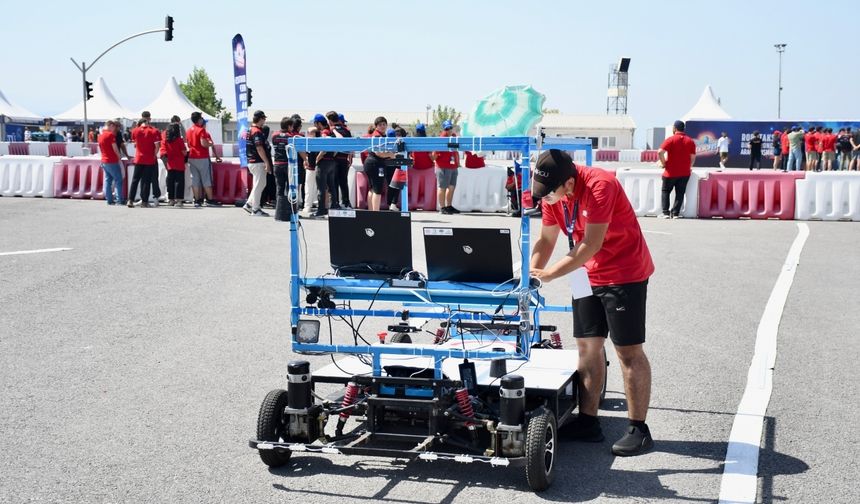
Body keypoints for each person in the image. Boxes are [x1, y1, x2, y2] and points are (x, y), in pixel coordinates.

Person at [529, 149, 655, 457]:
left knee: (627, 351)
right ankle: (588, 421)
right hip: (585, 275)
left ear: (569, 184)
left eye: (549, 194)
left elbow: (591, 243)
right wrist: (531, 272)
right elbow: (546, 240)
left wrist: (549, 274)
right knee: (587, 345)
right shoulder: (553, 196)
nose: (545, 199)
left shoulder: (601, 185)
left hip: (624, 273)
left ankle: (639, 429)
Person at [657, 120, 696, 218]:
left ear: (674, 128)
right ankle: (675, 213)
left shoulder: (671, 139)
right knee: (680, 192)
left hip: (670, 172)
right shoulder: (690, 141)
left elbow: (660, 152)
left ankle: (665, 213)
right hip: (684, 173)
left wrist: (663, 163)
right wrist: (689, 167)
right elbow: (693, 157)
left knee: (665, 191)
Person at [186, 112, 222, 207]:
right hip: (202, 157)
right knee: (206, 178)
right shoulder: (201, 130)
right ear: (199, 119)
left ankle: (197, 200)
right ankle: (209, 200)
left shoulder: (189, 130)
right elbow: (203, 144)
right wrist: (210, 144)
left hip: (192, 157)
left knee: (195, 179)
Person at [363, 116, 395, 211]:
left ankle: (371, 212)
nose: (382, 126)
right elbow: (378, 153)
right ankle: (376, 214)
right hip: (375, 164)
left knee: (372, 188)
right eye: (380, 125)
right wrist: (391, 155)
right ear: (376, 126)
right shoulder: (377, 136)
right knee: (378, 190)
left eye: (384, 124)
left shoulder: (381, 136)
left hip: (371, 163)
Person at [128, 118, 161, 208]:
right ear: (147, 122)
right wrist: (154, 155)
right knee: (146, 181)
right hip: (149, 158)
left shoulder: (135, 130)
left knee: (135, 180)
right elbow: (157, 146)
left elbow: (135, 143)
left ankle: (130, 200)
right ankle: (144, 202)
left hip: (138, 158)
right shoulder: (154, 131)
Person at [245, 110, 272, 217]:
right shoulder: (256, 131)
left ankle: (249, 204)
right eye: (264, 119)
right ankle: (255, 209)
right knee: (259, 185)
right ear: (260, 119)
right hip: (257, 161)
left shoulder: (250, 129)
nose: (264, 121)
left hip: (252, 161)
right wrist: (267, 162)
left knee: (259, 184)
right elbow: (260, 148)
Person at [433, 120, 461, 214]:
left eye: (450, 128)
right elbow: (434, 155)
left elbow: (456, 151)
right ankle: (442, 207)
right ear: (444, 129)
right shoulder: (441, 138)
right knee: (442, 187)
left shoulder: (453, 137)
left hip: (453, 166)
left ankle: (449, 206)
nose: (448, 130)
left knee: (452, 187)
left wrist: (457, 162)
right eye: (447, 128)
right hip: (443, 166)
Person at [97, 121, 124, 206]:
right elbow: (115, 148)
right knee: (118, 180)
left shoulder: (100, 136)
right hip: (112, 160)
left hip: (104, 160)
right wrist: (119, 156)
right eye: (114, 126)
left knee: (108, 180)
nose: (115, 129)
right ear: (110, 125)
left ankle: (109, 200)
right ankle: (120, 199)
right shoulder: (110, 135)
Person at [162, 123, 187, 207]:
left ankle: (171, 200)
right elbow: (184, 152)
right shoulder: (179, 140)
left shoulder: (165, 140)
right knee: (179, 182)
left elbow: (164, 152)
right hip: (179, 163)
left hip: (170, 163)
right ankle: (179, 200)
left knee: (170, 182)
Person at [387, 126, 410, 211]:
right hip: (399, 165)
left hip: (388, 164)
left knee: (390, 185)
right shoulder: (404, 141)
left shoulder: (387, 140)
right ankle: (393, 204)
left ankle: (390, 204)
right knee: (397, 185)